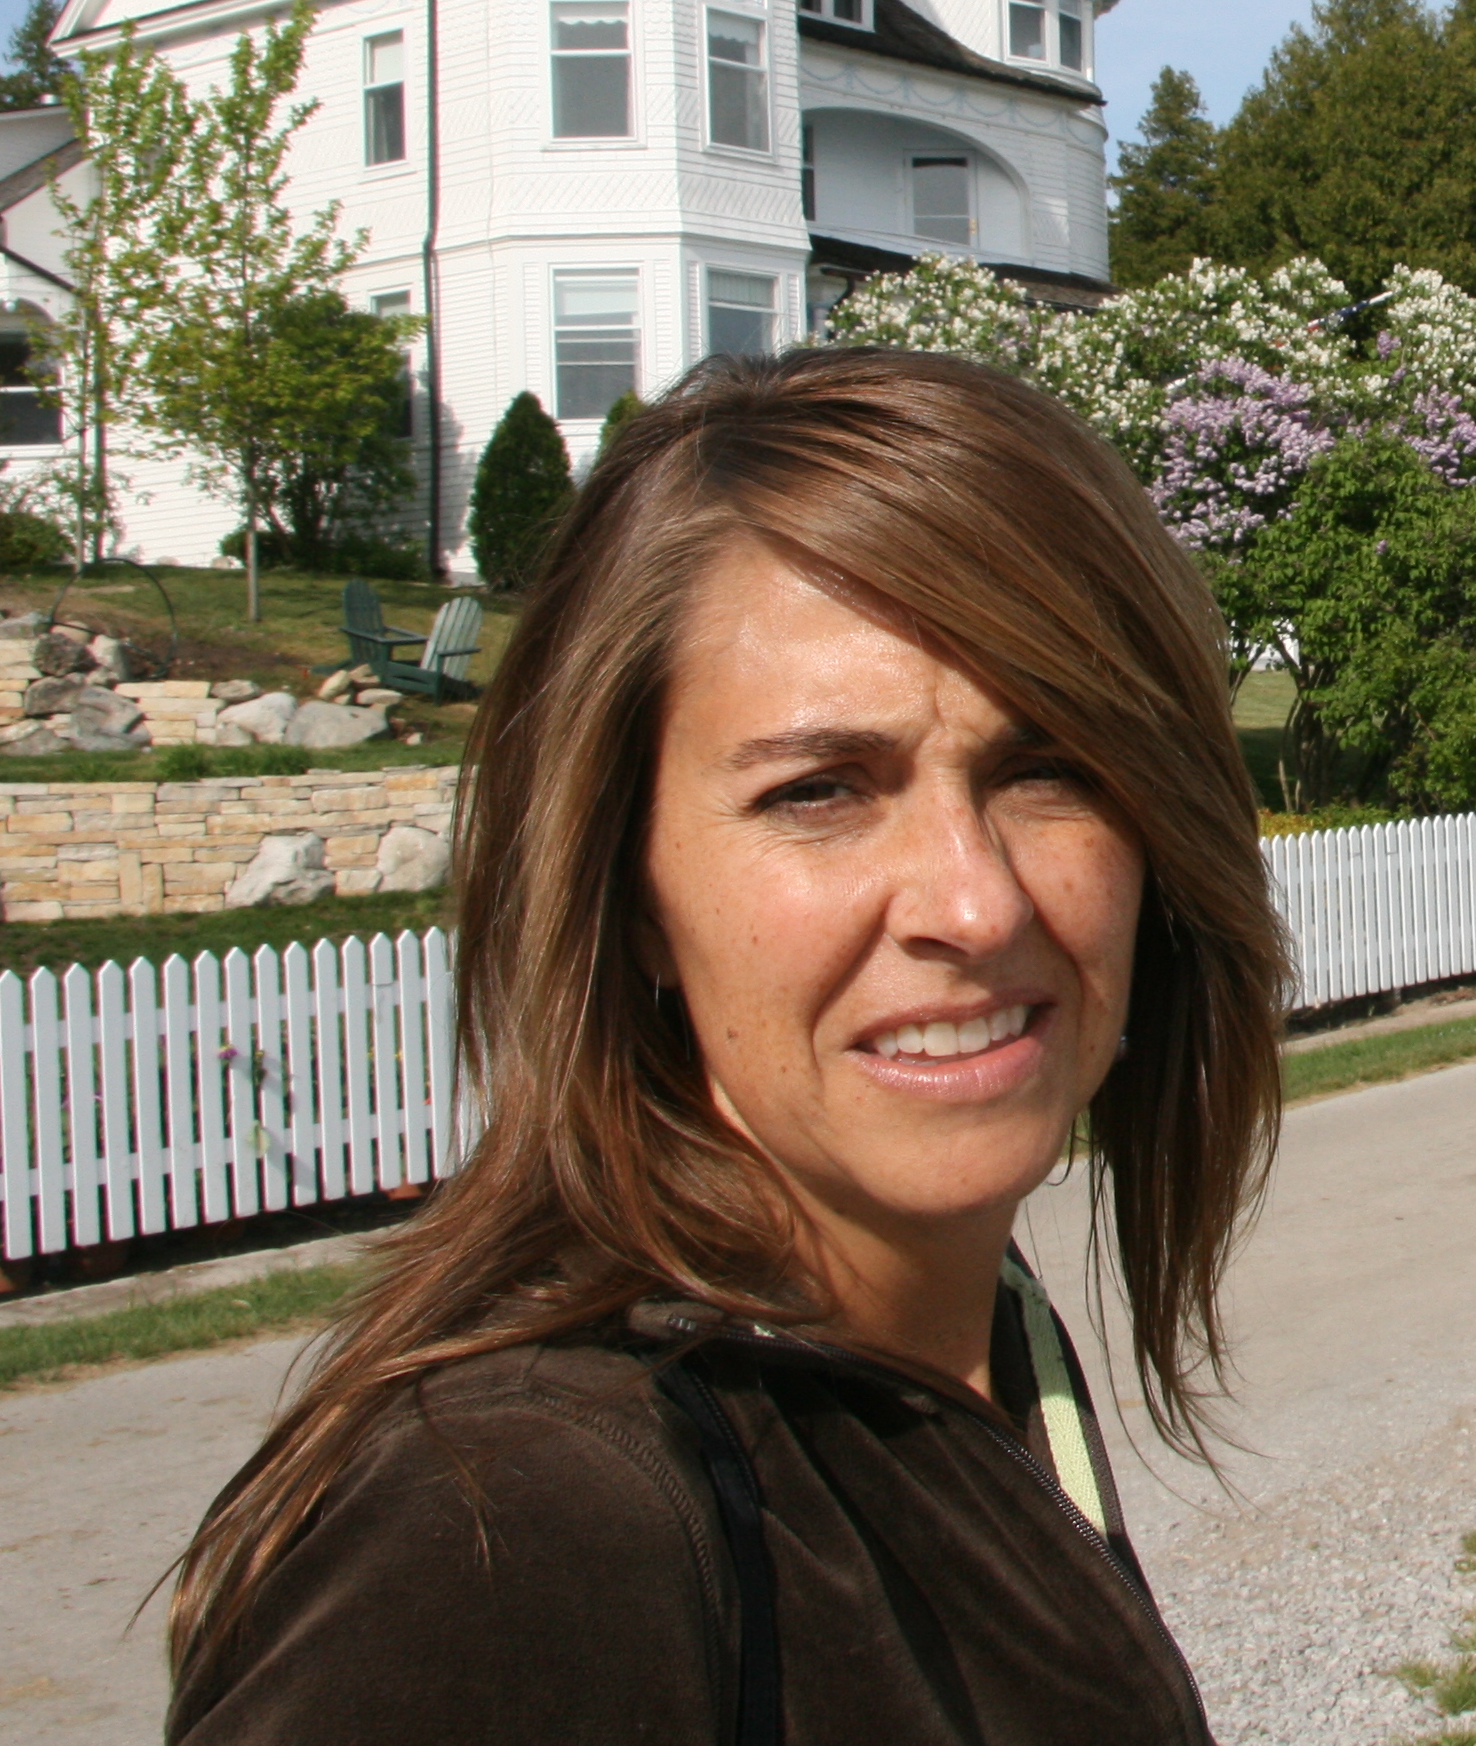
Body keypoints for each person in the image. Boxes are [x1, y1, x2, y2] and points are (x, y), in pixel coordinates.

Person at [166, 350, 1286, 1745]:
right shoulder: (518, 1528)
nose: (976, 905)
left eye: (1048, 767)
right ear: (628, 887)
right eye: (819, 791)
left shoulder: (971, 1340)